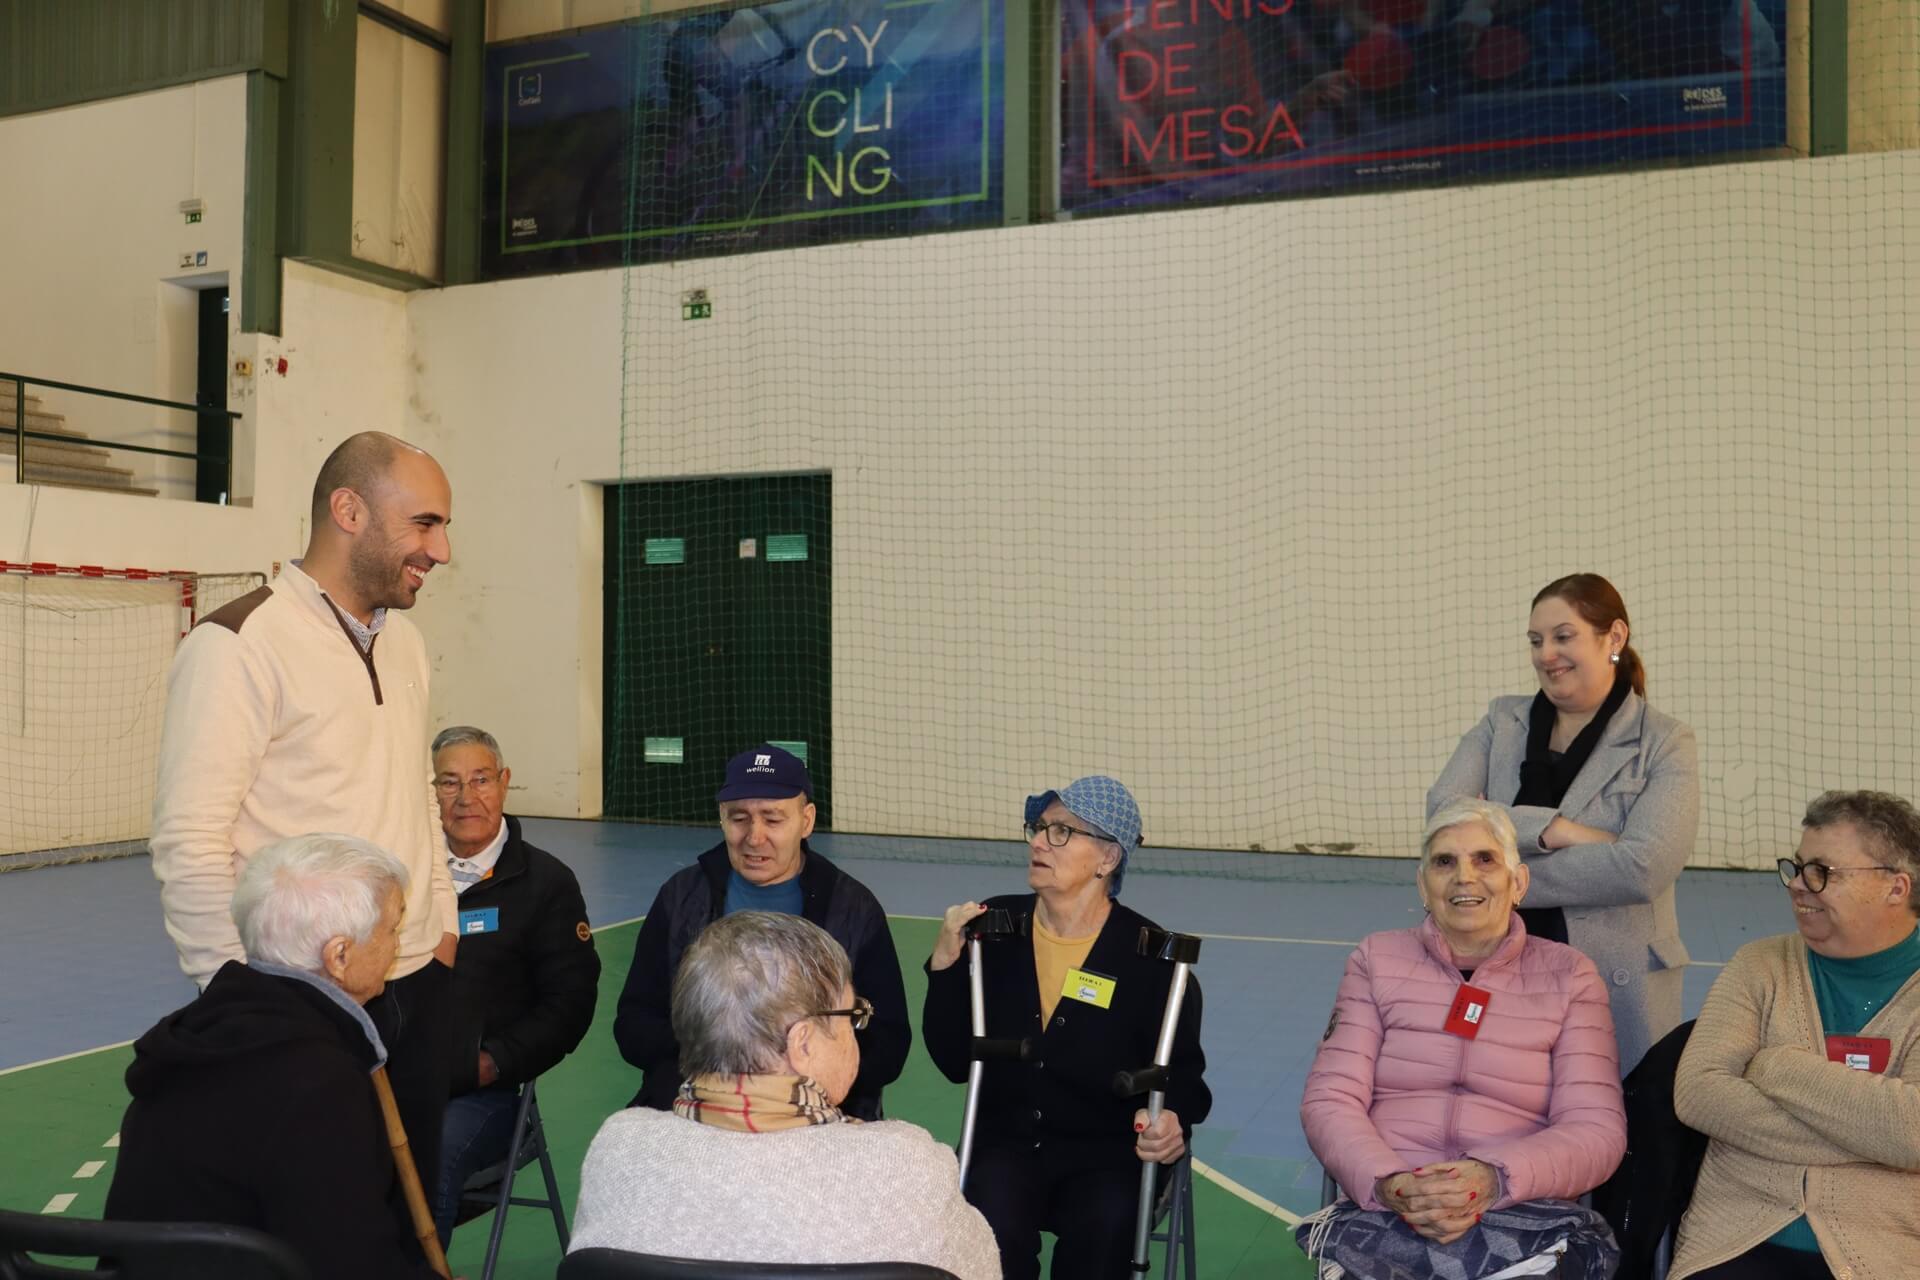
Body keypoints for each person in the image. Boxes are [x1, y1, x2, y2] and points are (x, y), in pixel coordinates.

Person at [149, 431, 459, 1195]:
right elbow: (190, 839)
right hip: (299, 1006)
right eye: (424, 524)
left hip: (415, 981)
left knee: (411, 1216)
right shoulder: (237, 645)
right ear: (348, 511)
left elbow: (417, 790)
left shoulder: (407, 643)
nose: (442, 550)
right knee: (320, 1220)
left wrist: (441, 927)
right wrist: (237, 997)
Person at [1298, 799, 1627, 1280]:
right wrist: (1390, 1182)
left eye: (1485, 859)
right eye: (1444, 862)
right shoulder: (1376, 959)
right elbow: (1330, 1099)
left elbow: (1596, 1129)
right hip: (1393, 1205)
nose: (1464, 877)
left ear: (1518, 883)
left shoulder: (1570, 975)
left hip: (1518, 1206)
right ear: (1423, 885)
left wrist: (1494, 1178)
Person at [572, 912, 999, 1278]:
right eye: (852, 1016)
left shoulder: (618, 1149)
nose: (856, 1032)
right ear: (803, 1043)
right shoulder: (908, 1165)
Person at [104, 834, 442, 1279]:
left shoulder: (196, 1034)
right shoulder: (319, 1080)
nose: (397, 945)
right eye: (392, 929)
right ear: (339, 955)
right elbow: (348, 1262)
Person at [922, 775, 1210, 1280]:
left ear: (1108, 858)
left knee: (1103, 1237)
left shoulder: (1150, 957)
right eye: (1039, 828)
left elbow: (1184, 1082)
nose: (1039, 842)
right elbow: (952, 1061)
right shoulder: (994, 929)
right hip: (1007, 1146)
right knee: (991, 1235)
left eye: (1062, 832)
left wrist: (1171, 1120)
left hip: (1106, 1154)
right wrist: (944, 967)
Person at [1428, 572, 1699, 1074]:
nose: (1546, 654)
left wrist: (1496, 874)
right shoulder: (1502, 721)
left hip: (1616, 982)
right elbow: (1445, 811)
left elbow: (1642, 868)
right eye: (1536, 640)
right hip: (1500, 966)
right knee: (1499, 1100)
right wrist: (1555, 830)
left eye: (1563, 636)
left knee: (1612, 1113)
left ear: (1614, 637)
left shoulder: (1664, 742)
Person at [1669, 791, 1920, 1280]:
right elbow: (1698, 1094)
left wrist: (1777, 1066)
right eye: (1798, 867)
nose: (1798, 886)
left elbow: (1914, 1132)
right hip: (1733, 1239)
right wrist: (1878, 1140)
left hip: (1886, 1251)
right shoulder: (1759, 965)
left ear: (1895, 887)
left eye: (1822, 872)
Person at [613, 744, 909, 1120]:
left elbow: (888, 1045)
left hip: (821, 1115)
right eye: (739, 818)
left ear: (806, 821)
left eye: (772, 820)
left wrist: (786, 1080)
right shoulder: (681, 899)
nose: (754, 837)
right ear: (722, 819)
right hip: (695, 1107)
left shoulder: (854, 909)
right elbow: (634, 1024)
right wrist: (719, 1059)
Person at [430, 725, 600, 1247]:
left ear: (504, 782)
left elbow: (569, 1005)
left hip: (487, 1096)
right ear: (432, 792)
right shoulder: (404, 873)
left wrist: (492, 1062)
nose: (466, 797)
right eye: (449, 782)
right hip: (399, 1078)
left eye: (480, 779)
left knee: (430, 1151)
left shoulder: (547, 884)